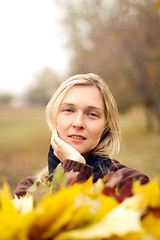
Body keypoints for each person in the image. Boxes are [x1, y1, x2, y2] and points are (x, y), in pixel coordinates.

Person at [14, 73, 149, 198]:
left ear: (106, 126)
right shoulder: (29, 190)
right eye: (68, 110)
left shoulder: (131, 183)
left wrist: (74, 168)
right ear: (55, 117)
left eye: (92, 114)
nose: (78, 123)